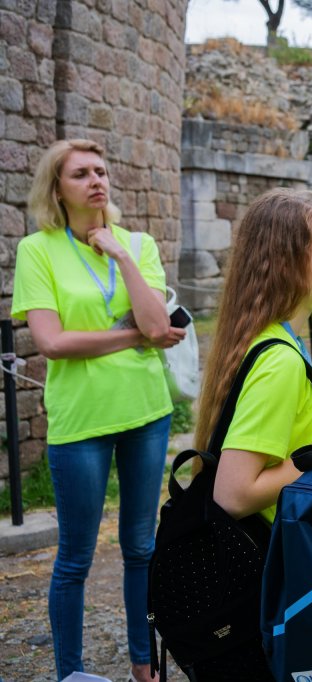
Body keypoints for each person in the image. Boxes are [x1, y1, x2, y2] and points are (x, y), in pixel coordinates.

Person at [13, 139, 186, 682]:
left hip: (146, 413)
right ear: (57, 189)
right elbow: (52, 342)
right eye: (81, 173)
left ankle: (143, 665)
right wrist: (135, 337)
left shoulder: (138, 243)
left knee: (140, 547)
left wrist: (121, 256)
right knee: (75, 557)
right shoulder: (37, 250)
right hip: (81, 420)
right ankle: (71, 672)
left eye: (102, 171)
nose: (96, 181)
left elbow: (159, 325)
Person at [196, 187, 312, 679]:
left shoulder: (270, 338)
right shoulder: (280, 360)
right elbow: (234, 493)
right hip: (265, 569)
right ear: (288, 262)